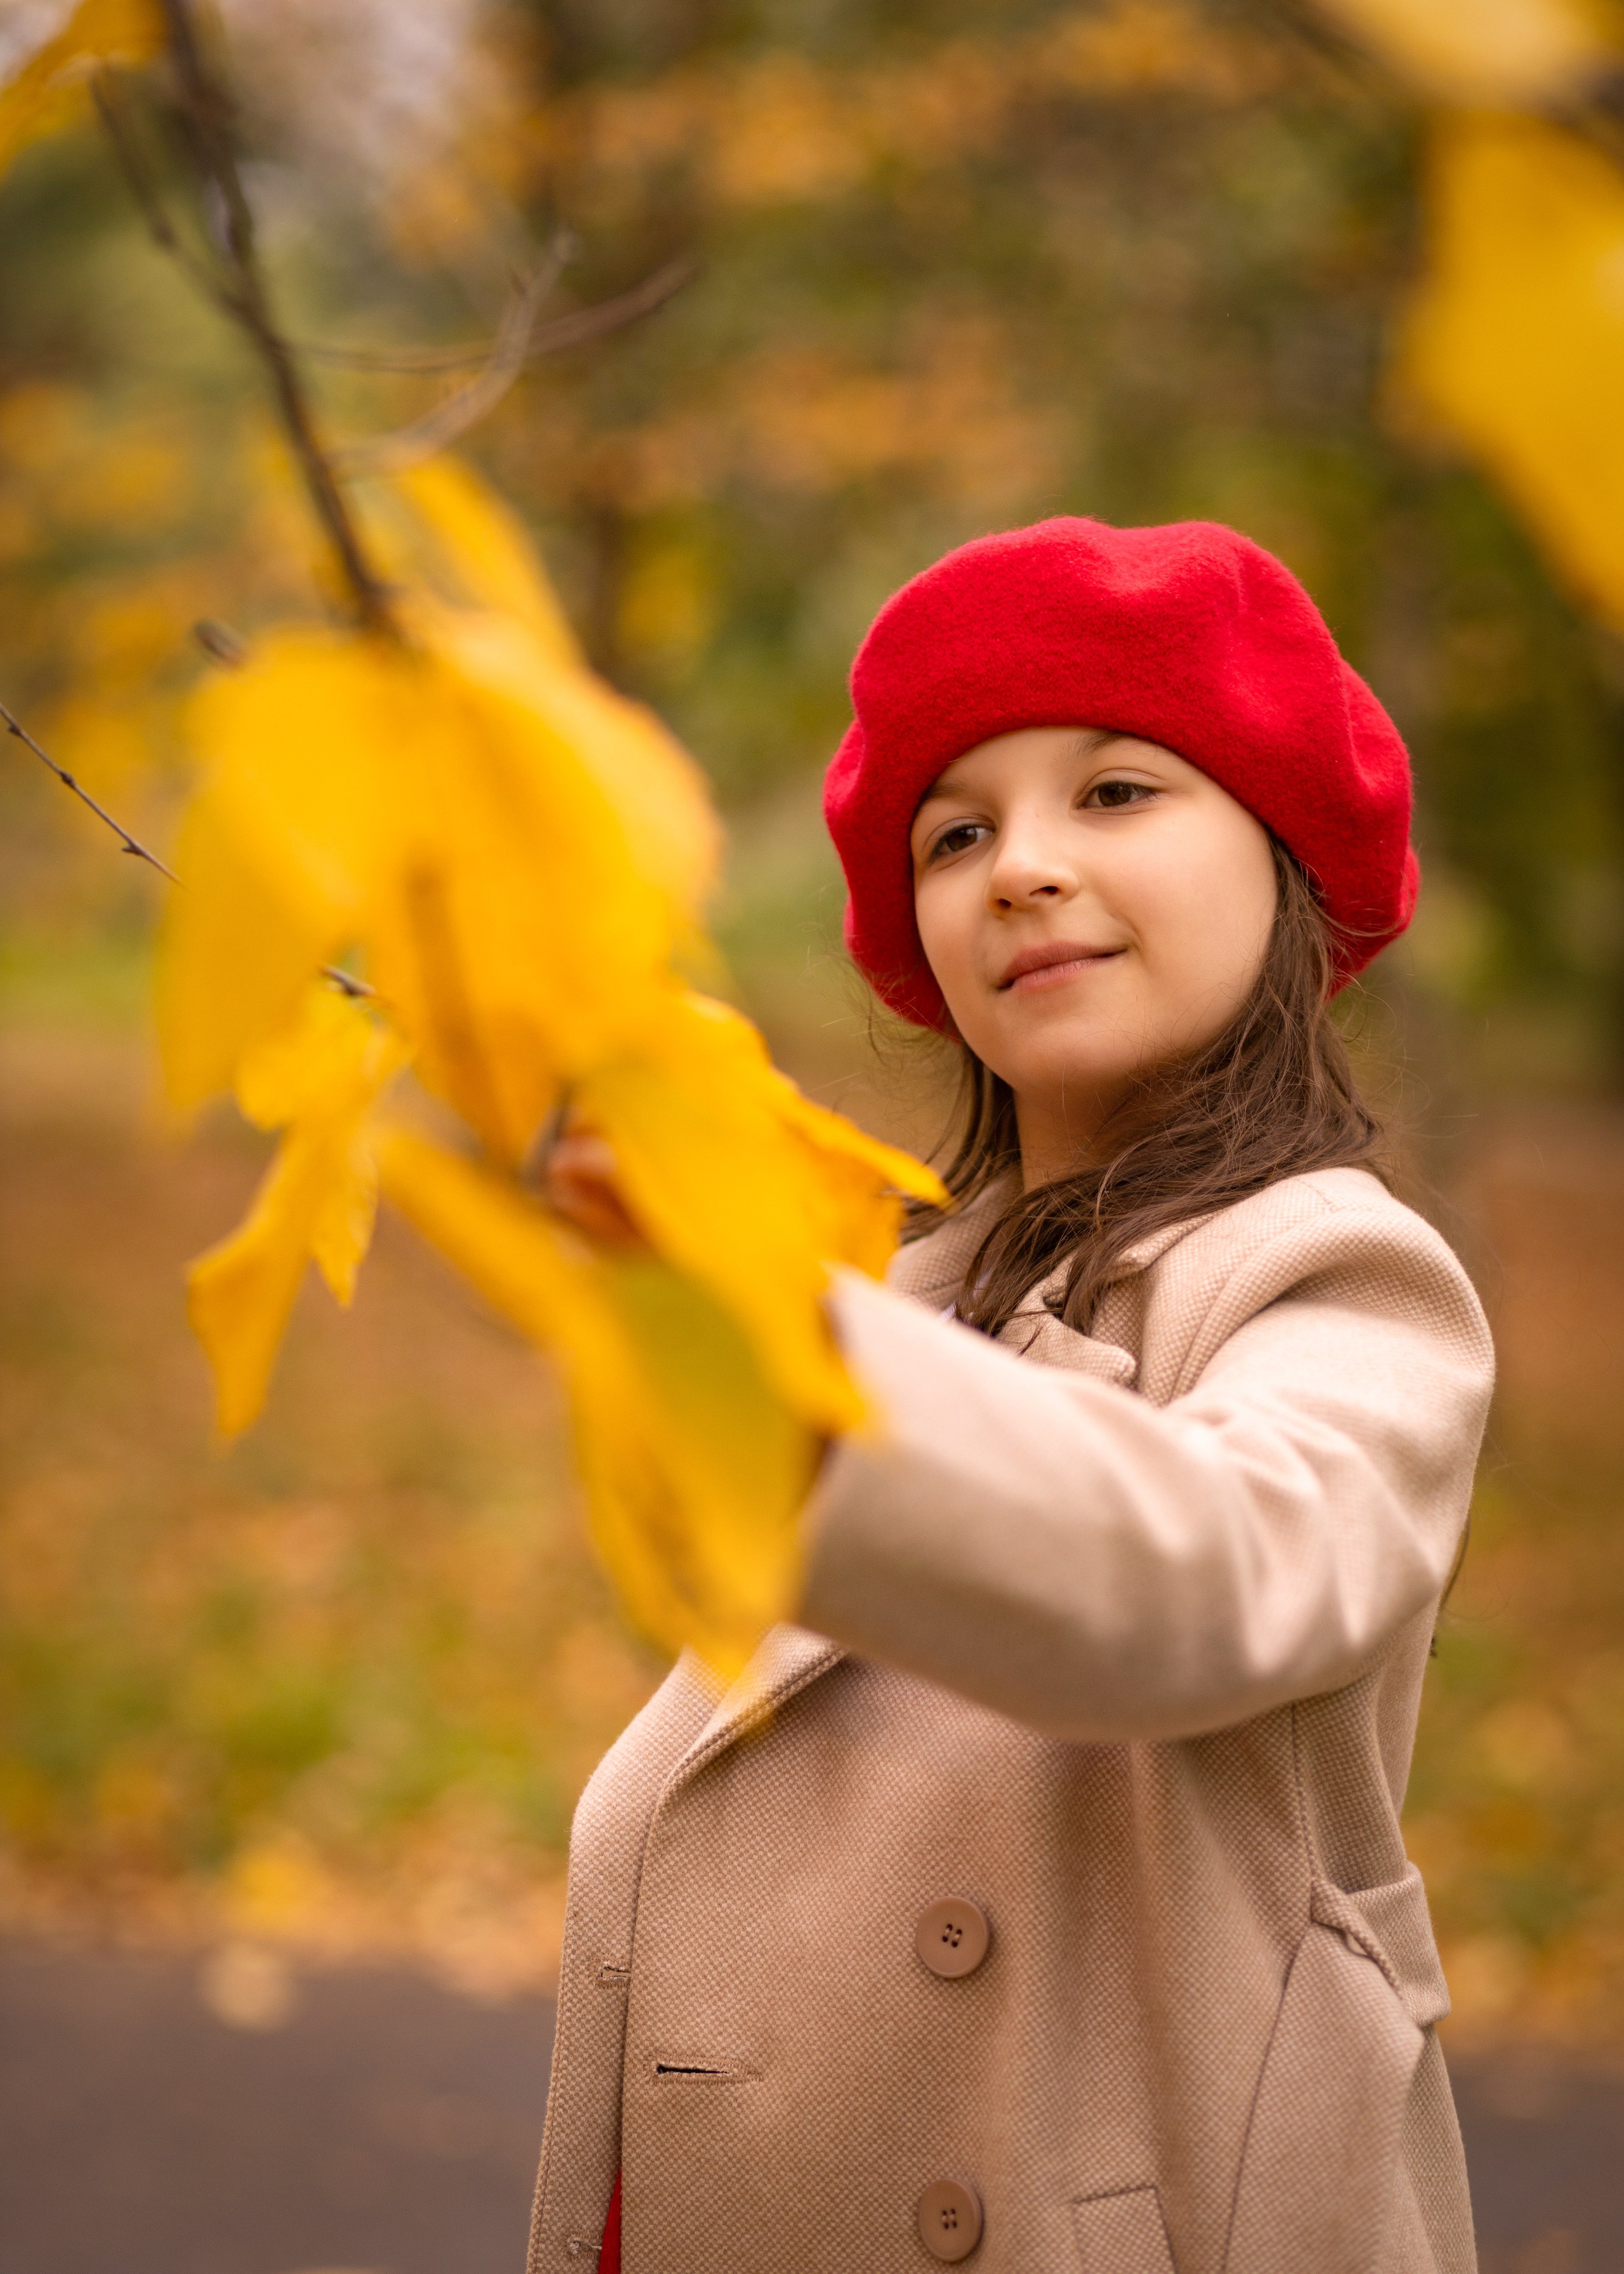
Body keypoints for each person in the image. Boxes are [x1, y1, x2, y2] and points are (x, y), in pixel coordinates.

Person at [530, 518, 1495, 2274]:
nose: (1020, 868)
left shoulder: (1342, 1282)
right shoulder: (910, 1302)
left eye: (1116, 793)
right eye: (955, 831)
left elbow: (1200, 1572)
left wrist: (765, 1330)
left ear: (1282, 855)